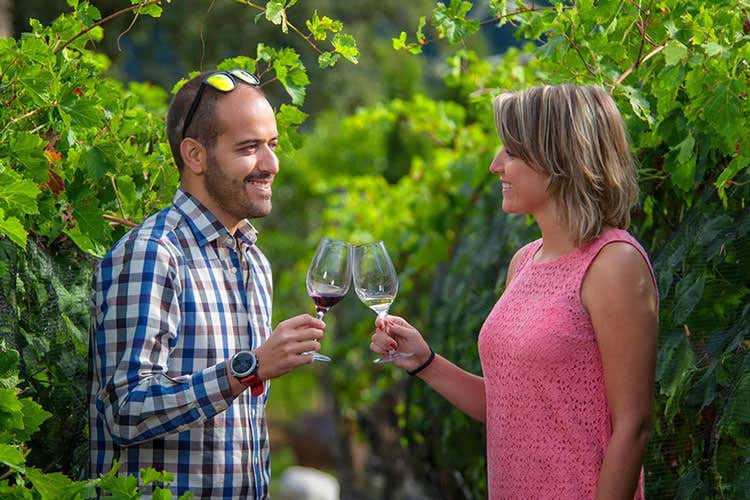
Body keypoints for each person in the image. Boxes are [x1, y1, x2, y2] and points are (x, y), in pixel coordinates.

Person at [371, 84, 658, 499]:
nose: (495, 165)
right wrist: (424, 361)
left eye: (512, 152)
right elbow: (512, 407)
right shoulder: (524, 262)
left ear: (558, 157)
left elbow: (634, 426)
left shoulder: (614, 264)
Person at [88, 69, 326, 498]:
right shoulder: (154, 253)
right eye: (249, 148)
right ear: (195, 156)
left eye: (271, 145)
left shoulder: (254, 262)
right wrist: (248, 368)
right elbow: (124, 411)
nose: (271, 164)